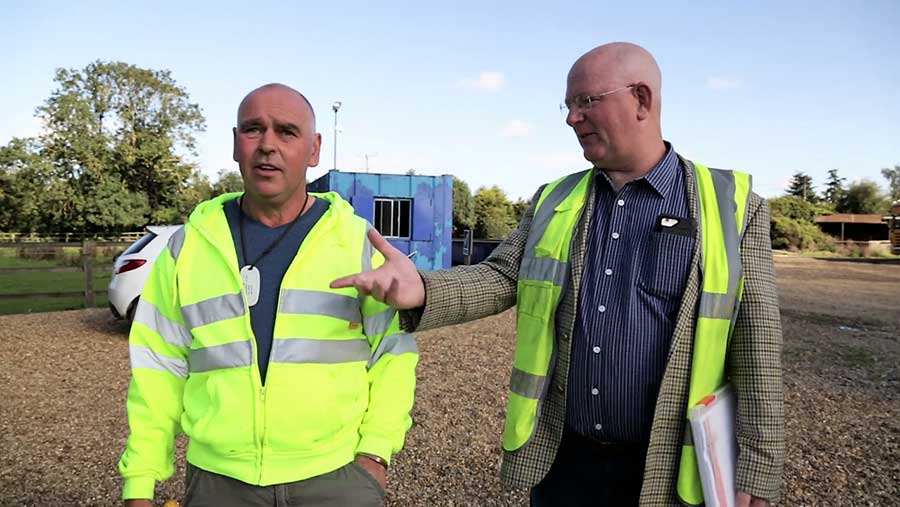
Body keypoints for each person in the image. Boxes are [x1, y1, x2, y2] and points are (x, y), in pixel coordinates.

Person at [331, 43, 784, 507]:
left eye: (587, 101)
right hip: (566, 463)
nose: (572, 118)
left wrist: (759, 469)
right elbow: (503, 276)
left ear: (642, 100)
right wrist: (421, 288)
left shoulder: (731, 205)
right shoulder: (555, 199)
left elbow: (758, 344)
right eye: (568, 105)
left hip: (671, 467)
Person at [119, 83, 418, 507]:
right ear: (236, 144)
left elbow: (394, 355)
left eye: (287, 132)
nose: (268, 146)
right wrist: (141, 482)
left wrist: (375, 454)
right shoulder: (188, 247)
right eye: (254, 129)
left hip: (335, 478)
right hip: (219, 482)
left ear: (314, 150)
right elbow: (156, 367)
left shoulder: (358, 244)